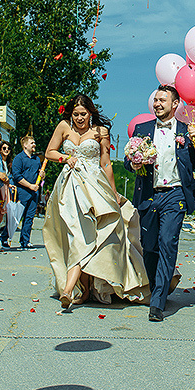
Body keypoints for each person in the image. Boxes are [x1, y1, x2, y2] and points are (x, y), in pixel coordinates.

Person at [45, 94, 149, 310]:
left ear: (90, 113)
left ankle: (77, 289)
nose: (80, 118)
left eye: (83, 114)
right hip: (70, 186)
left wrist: (113, 193)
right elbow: (50, 152)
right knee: (76, 234)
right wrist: (65, 158)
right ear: (71, 114)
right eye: (76, 114)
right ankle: (74, 289)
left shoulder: (101, 131)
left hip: (95, 186)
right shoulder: (64, 127)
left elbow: (106, 162)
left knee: (94, 234)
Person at [125, 85, 195, 321]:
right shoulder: (142, 130)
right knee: (149, 246)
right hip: (149, 195)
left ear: (175, 105)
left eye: (163, 100)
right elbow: (127, 160)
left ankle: (158, 303)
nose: (157, 104)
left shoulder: (186, 131)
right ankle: (156, 288)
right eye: (156, 100)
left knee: (167, 242)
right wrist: (132, 163)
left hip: (175, 195)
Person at [9, 135, 43, 249]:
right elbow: (17, 176)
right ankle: (5, 238)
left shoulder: (37, 159)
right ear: (25, 145)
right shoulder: (19, 158)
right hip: (22, 191)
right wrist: (30, 186)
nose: (34, 145)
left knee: (29, 217)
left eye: (34, 143)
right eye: (32, 143)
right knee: (16, 216)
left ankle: (25, 241)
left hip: (34, 193)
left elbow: (39, 175)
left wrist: (42, 176)